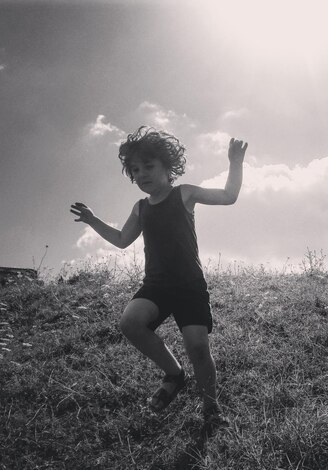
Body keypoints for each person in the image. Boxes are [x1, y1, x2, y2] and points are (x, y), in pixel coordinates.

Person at [70, 126, 247, 436]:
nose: (141, 175)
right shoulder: (140, 208)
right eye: (135, 170)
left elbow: (229, 197)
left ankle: (210, 407)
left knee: (198, 349)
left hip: (189, 286)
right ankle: (174, 374)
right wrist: (93, 220)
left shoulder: (185, 193)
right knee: (130, 323)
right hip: (156, 285)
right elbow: (123, 239)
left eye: (148, 167)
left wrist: (235, 163)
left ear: (168, 166)